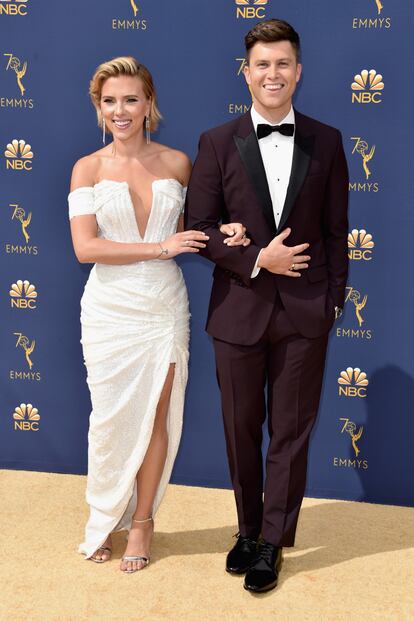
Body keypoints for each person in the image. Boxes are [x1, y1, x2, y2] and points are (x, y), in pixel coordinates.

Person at [185, 19, 349, 593]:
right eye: (262, 64)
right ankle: (247, 529)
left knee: (290, 433)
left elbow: (336, 232)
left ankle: (272, 542)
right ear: (246, 73)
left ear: (297, 72)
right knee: (239, 427)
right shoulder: (214, 142)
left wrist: (331, 302)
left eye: (282, 64)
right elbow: (198, 229)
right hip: (237, 310)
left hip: (306, 314)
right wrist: (259, 258)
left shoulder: (327, 140)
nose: (272, 74)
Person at [68, 56, 248, 573]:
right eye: (109, 101)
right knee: (109, 420)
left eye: (130, 99)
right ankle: (104, 517)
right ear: (99, 108)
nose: (120, 111)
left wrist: (226, 234)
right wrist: (160, 248)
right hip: (109, 308)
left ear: (150, 104)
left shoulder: (177, 163)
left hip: (163, 309)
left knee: (156, 416)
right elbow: (86, 248)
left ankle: (142, 522)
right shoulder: (88, 167)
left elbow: (199, 229)